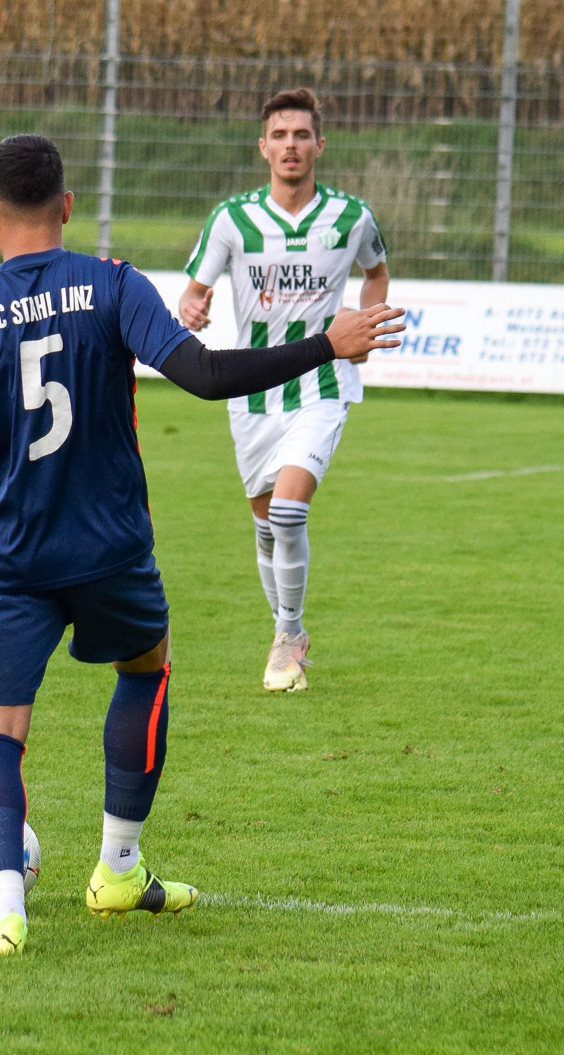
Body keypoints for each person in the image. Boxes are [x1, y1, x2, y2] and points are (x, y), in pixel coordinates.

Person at [0, 133, 403, 955]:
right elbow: (204, 376)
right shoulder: (113, 284)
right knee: (145, 669)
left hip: (2, 558)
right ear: (68, 206)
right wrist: (326, 345)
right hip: (108, 546)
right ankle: (119, 869)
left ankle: (6, 914)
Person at [177, 88, 391, 691]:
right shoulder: (232, 219)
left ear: (320, 145)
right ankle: (285, 631)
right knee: (268, 526)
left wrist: (366, 326)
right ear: (263, 148)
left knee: (290, 511)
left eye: (301, 135)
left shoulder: (351, 217)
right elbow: (194, 290)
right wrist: (193, 307)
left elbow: (376, 272)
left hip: (323, 383)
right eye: (279, 135)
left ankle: (289, 634)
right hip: (252, 391)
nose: (290, 145)